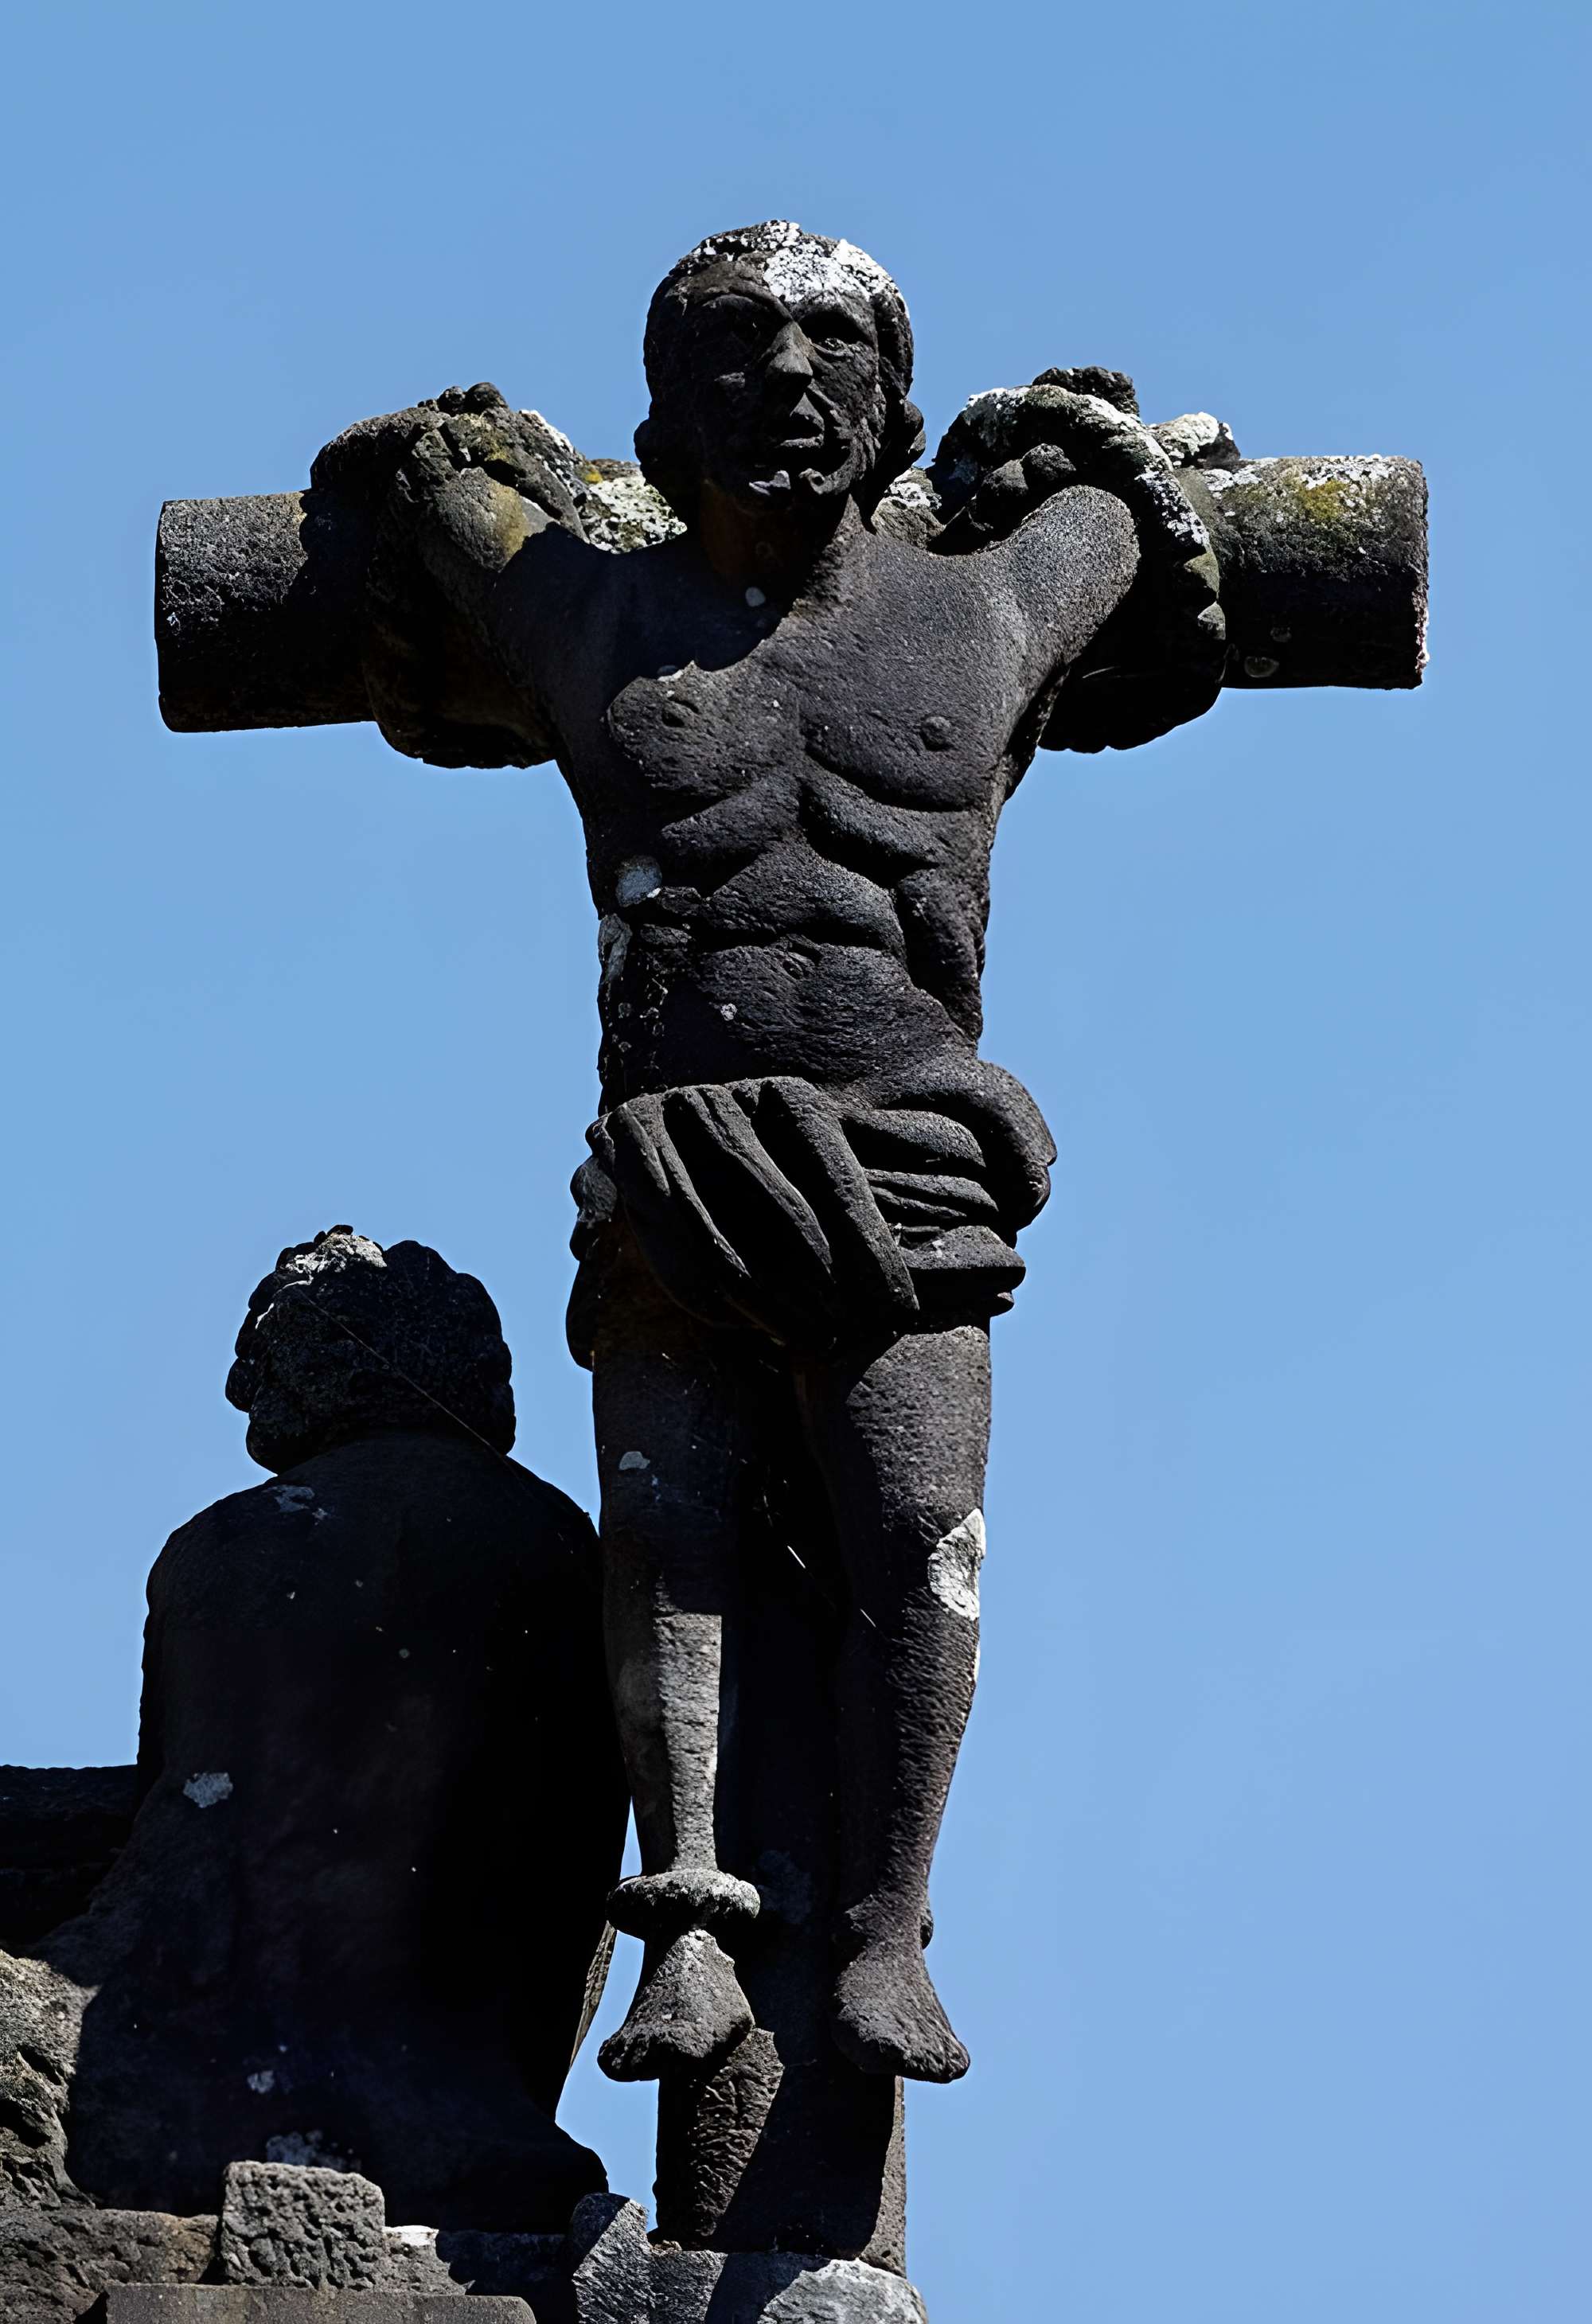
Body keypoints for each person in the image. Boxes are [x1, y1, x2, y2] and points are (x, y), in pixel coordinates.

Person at [328, 222, 1212, 2086]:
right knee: (667, 1527)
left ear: (890, 399)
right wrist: (434, 465)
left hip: (906, 1158)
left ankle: (888, 1929)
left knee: (916, 1533)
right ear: (662, 411)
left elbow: (1152, 492)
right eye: (732, 347)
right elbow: (431, 498)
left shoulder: (990, 608)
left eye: (830, 345)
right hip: (678, 1161)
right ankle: (691, 1919)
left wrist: (1107, 448)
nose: (785, 381)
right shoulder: (591, 619)